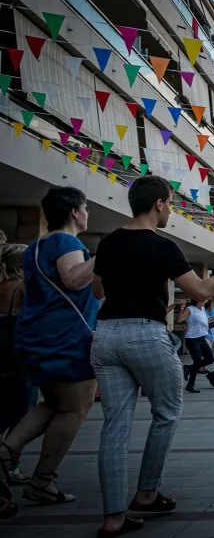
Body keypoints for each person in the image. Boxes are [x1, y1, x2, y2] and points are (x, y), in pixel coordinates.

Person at [90, 175, 214, 537]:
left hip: (106, 335)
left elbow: (99, 288)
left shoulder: (109, 242)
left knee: (115, 424)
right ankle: (147, 492)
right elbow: (203, 290)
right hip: (145, 333)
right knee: (166, 412)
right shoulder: (162, 247)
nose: (171, 211)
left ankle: (112, 517)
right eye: (170, 204)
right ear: (159, 203)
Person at [1, 187, 99, 508]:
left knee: (53, 403)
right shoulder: (66, 242)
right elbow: (72, 279)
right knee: (74, 407)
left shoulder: (35, 247)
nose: (88, 213)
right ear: (74, 212)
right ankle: (43, 481)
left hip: (39, 335)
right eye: (85, 208)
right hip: (66, 338)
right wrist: (105, 255)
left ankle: (5, 455)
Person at [0, 242, 26, 518]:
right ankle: (11, 462)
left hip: (0, 350)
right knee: (21, 408)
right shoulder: (21, 288)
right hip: (17, 350)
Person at [178, 299, 214, 394]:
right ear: (198, 300)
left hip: (202, 338)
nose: (205, 300)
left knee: (210, 359)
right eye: (203, 298)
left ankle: (189, 368)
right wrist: (181, 308)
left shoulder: (202, 309)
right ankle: (190, 385)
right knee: (197, 361)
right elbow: (179, 320)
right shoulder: (190, 309)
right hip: (192, 339)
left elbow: (205, 321)